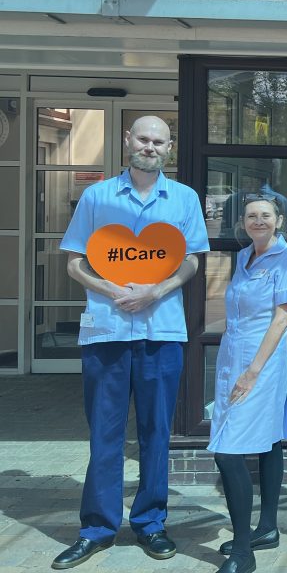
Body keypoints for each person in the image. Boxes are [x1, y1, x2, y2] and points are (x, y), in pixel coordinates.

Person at [52, 116, 210, 570]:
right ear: (128, 141)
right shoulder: (98, 196)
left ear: (169, 148)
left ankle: (151, 522)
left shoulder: (184, 199)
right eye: (143, 138)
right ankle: (97, 529)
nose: (150, 147)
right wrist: (114, 291)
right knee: (104, 433)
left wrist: (154, 291)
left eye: (159, 142)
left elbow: (193, 261)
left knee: (156, 431)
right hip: (107, 331)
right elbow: (74, 263)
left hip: (162, 331)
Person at [209, 195, 287, 573]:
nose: (259, 221)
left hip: (260, 365)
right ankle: (266, 528)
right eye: (252, 216)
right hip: (232, 359)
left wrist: (253, 371)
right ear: (243, 222)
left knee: (227, 452)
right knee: (268, 442)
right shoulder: (243, 256)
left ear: (279, 220)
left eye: (266, 215)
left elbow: (282, 319)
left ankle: (243, 553)